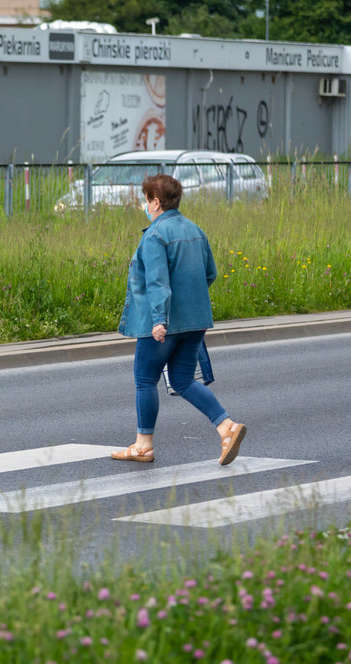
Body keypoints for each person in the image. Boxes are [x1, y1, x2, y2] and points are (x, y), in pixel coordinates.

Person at [111, 174, 246, 465]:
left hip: (163, 324)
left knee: (145, 380)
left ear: (156, 201)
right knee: (183, 380)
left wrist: (160, 319)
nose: (145, 204)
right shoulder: (196, 230)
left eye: (147, 199)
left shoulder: (155, 236)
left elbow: (158, 282)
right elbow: (209, 273)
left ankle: (143, 446)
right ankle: (227, 428)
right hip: (196, 321)